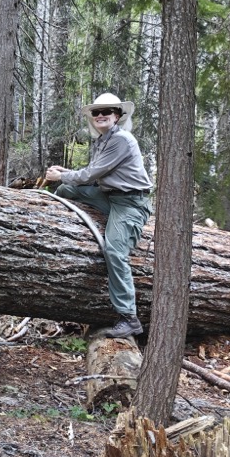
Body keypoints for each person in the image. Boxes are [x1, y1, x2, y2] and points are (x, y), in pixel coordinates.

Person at [45, 93, 152, 338]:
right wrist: (66, 174)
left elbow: (92, 174)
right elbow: (94, 174)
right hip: (108, 196)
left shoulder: (121, 139)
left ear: (117, 115)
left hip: (130, 204)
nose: (100, 115)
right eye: (96, 112)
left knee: (114, 251)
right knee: (66, 190)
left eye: (107, 111)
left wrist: (61, 175)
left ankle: (129, 317)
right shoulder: (104, 140)